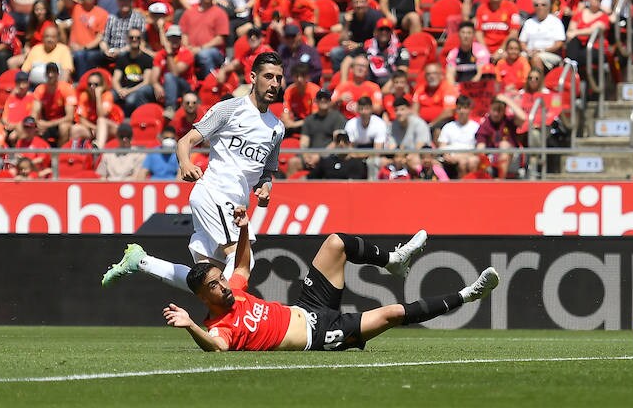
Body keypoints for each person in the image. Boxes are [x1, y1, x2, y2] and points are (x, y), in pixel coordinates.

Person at [161, 206, 496, 352]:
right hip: (318, 335)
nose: (223, 285)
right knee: (392, 313)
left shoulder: (233, 290)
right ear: (204, 298)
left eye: (220, 278)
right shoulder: (220, 328)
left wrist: (245, 226)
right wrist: (191, 325)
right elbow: (217, 347)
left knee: (336, 242)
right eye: (214, 286)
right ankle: (468, 294)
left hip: (308, 307)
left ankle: (393, 261)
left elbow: (244, 265)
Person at [103, 52, 285, 290]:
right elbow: (185, 141)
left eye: (278, 78)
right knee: (242, 261)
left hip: (237, 201)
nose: (274, 84)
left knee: (206, 282)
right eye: (268, 76)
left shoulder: (277, 128)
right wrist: (186, 164)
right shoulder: (229, 110)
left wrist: (265, 188)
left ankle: (141, 261)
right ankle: (227, 325)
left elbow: (266, 173)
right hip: (216, 192)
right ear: (252, 77)